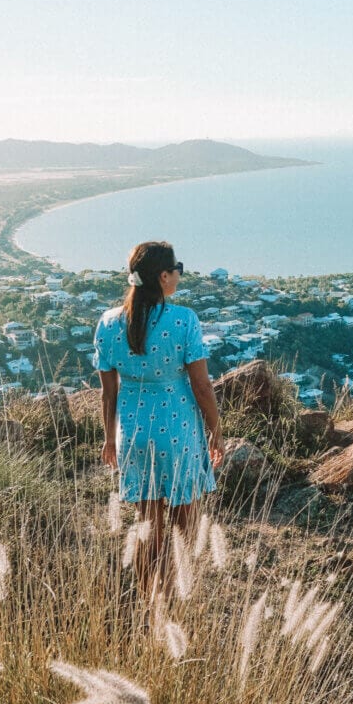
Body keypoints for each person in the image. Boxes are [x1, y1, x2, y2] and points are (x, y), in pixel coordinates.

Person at [94, 240, 223, 598]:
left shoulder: (107, 324)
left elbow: (109, 393)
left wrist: (109, 439)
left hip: (132, 433)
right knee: (186, 524)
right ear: (164, 276)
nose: (179, 274)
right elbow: (201, 387)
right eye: (176, 268)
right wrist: (216, 432)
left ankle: (151, 597)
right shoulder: (183, 320)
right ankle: (181, 596)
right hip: (178, 429)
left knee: (147, 524)